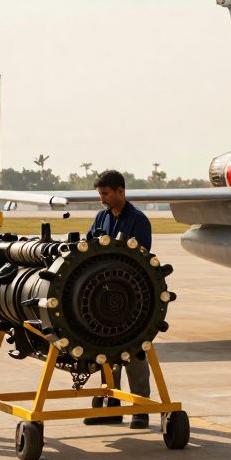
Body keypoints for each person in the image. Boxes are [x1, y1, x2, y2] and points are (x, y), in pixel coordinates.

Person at [83, 169, 154, 429]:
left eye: (105, 194)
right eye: (100, 194)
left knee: (134, 351)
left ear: (120, 192)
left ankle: (140, 407)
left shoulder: (138, 220)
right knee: (104, 351)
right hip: (101, 297)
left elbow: (142, 259)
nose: (102, 199)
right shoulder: (101, 217)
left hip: (131, 297)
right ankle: (110, 407)